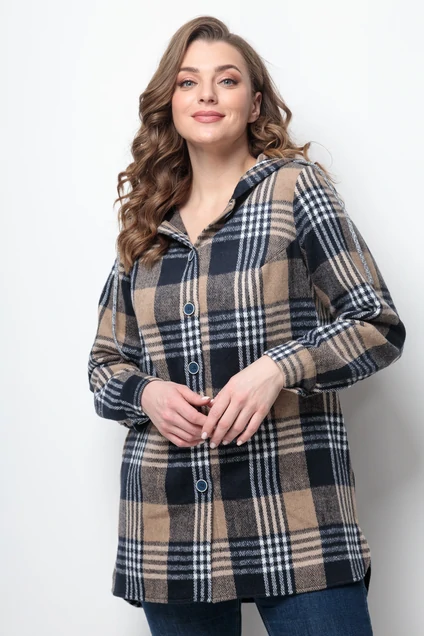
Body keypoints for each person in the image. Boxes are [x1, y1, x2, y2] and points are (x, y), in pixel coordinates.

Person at [87, 15, 406, 636]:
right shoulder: (147, 222)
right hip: (170, 523)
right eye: (188, 81)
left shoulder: (296, 189)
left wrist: (278, 369)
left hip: (294, 514)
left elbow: (376, 324)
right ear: (170, 102)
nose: (206, 94)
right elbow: (104, 364)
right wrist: (147, 394)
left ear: (254, 103)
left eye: (226, 80)